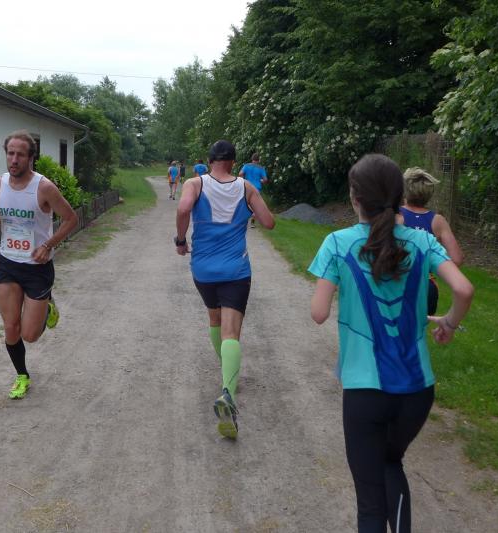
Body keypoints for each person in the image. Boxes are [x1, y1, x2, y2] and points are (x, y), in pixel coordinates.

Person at [308, 154, 474, 532]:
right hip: (417, 390)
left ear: (355, 198)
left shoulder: (337, 243)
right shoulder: (423, 241)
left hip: (364, 391)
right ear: (400, 196)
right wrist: (449, 323)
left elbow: (318, 313)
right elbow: (464, 289)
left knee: (369, 505)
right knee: (391, 462)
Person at [175, 140, 275, 439]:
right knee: (232, 333)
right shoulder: (246, 187)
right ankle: (227, 391)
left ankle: (227, 371)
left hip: (203, 269)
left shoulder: (195, 183)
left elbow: (183, 208)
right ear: (233, 161)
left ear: (210, 160)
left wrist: (181, 239)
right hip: (235, 270)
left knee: (214, 319)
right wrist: (249, 209)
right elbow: (269, 223)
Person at [0, 130, 79, 399]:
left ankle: (47, 305)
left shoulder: (44, 188)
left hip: (37, 267)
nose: (14, 160)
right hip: (8, 263)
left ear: (31, 157)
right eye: (10, 153)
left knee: (30, 334)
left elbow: (71, 219)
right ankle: (22, 375)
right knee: (11, 327)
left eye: (20, 155)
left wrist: (48, 245)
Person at [396, 167, 464, 315]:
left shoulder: (396, 215)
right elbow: (457, 259)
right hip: (426, 287)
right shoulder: (437, 221)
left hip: (398, 282)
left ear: (404, 190)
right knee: (419, 327)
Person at [238, 153, 269, 227]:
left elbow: (240, 174)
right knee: (255, 205)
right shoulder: (261, 168)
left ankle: (242, 221)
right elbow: (265, 179)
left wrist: (244, 180)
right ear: (258, 160)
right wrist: (260, 181)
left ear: (252, 159)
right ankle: (252, 222)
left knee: (245, 203)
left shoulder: (246, 166)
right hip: (256, 188)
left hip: (247, 187)